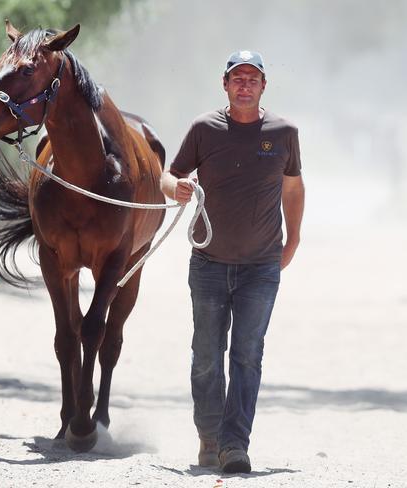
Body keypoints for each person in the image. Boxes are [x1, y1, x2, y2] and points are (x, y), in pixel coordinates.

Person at [160, 50, 305, 473]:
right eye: (237, 78)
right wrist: (178, 188)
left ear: (263, 87)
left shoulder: (284, 132)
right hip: (208, 264)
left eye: (252, 78)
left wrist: (293, 239)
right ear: (225, 85)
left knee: (247, 355)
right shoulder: (204, 129)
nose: (244, 84)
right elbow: (167, 175)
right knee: (206, 354)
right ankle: (209, 436)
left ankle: (234, 445)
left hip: (261, 267)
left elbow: (293, 188)